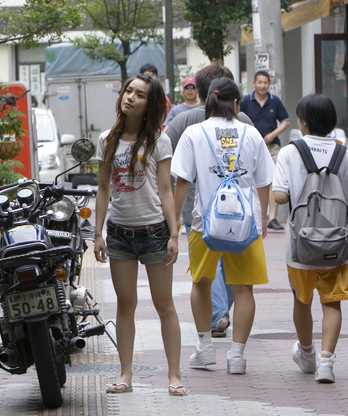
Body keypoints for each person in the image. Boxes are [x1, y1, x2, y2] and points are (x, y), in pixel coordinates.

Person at [171, 77, 272, 375]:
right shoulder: (251, 134)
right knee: (244, 290)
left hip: (205, 222)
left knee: (200, 283)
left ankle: (204, 349)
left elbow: (182, 182)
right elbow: (264, 181)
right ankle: (237, 356)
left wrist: (175, 220)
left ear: (207, 102)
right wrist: (263, 217)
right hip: (246, 223)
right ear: (236, 103)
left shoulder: (194, 133)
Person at [93, 74, 186, 396]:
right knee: (125, 305)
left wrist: (174, 234)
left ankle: (174, 376)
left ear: (151, 104)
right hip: (119, 234)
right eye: (128, 91)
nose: (130, 97)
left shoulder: (159, 141)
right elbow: (103, 188)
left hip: (155, 233)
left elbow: (165, 190)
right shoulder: (107, 139)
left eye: (140, 94)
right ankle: (125, 375)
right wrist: (98, 233)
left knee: (165, 305)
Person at [166, 65, 256, 338]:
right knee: (233, 263)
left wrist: (172, 215)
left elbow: (166, 159)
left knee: (209, 267)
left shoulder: (182, 122)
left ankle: (217, 316)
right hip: (240, 210)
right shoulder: (245, 122)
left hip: (197, 208)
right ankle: (220, 314)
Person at [273, 94, 348, 384]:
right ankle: (327, 362)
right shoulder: (343, 152)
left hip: (301, 244)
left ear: (302, 122)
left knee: (302, 301)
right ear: (331, 122)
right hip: (337, 242)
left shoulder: (291, 153)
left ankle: (307, 355)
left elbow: (279, 195)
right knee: (333, 303)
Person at [240, 70, 290, 230]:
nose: (262, 85)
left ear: (269, 84)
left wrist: (272, 134)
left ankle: (272, 218)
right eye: (259, 82)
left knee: (273, 180)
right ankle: (251, 214)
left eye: (265, 82)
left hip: (272, 146)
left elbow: (286, 121)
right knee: (251, 179)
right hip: (250, 148)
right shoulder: (245, 101)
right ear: (254, 83)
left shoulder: (275, 101)